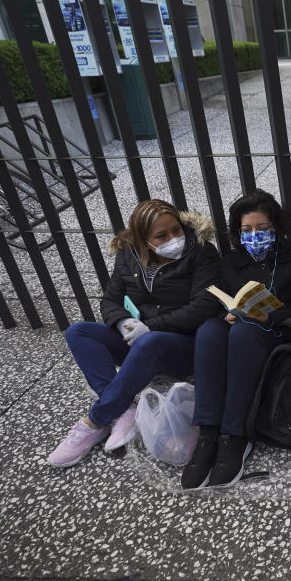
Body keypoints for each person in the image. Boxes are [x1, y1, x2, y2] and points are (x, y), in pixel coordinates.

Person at [51, 199, 220, 467]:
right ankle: (124, 409)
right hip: (138, 340)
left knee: (150, 341)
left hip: (181, 345)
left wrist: (150, 327)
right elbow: (110, 300)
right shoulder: (128, 255)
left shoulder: (201, 252)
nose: (174, 238)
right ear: (143, 239)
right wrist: (122, 323)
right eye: (161, 236)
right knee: (79, 332)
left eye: (176, 230)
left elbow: (203, 307)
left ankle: (95, 421)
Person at [182, 191, 291, 489]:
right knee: (210, 330)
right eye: (246, 230)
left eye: (262, 229)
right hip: (239, 331)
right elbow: (222, 299)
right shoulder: (232, 262)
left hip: (280, 339)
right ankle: (208, 432)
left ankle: (235, 434)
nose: (254, 235)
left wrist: (271, 317)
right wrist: (228, 313)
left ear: (276, 228)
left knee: (245, 332)